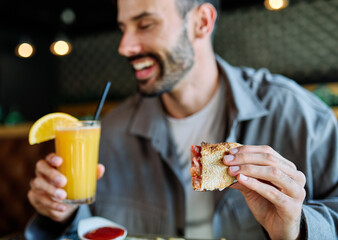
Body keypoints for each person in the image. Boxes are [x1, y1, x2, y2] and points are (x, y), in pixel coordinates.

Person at [25, 0, 338, 239]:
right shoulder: (108, 134)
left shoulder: (301, 117)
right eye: (123, 28)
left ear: (201, 22)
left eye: (145, 24)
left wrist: (298, 228)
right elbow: (88, 228)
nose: (124, 46)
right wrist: (61, 214)